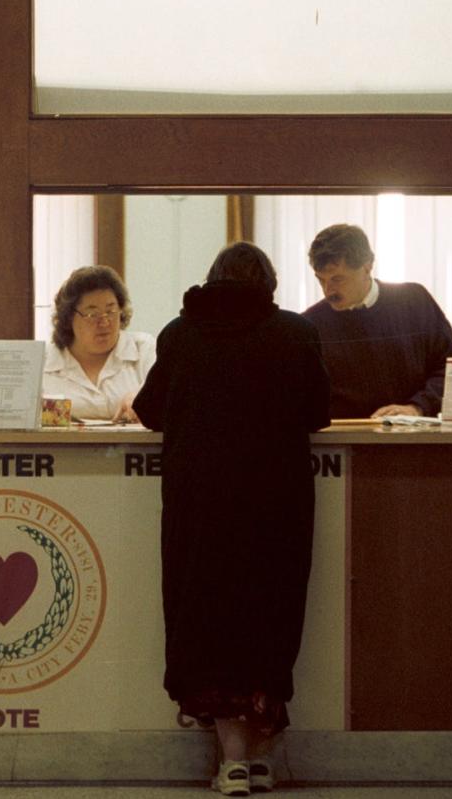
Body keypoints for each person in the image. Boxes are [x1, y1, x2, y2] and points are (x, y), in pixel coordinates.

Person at [133, 242, 329, 797]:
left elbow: (150, 411)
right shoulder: (295, 333)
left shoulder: (180, 333)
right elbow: (319, 412)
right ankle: (263, 758)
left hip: (201, 507)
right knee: (269, 615)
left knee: (208, 620)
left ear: (212, 280)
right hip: (276, 506)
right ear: (268, 282)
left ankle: (233, 762)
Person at [302, 223, 452, 419]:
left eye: (338, 279)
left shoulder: (414, 301)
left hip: (414, 437)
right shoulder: (310, 323)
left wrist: (417, 407)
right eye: (321, 280)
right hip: (343, 440)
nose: (328, 291)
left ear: (367, 266)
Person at [43, 265, 155, 422]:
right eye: (91, 314)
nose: (104, 322)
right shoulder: (44, 363)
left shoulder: (144, 349)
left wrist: (142, 397)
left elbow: (166, 397)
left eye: (111, 311)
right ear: (69, 318)